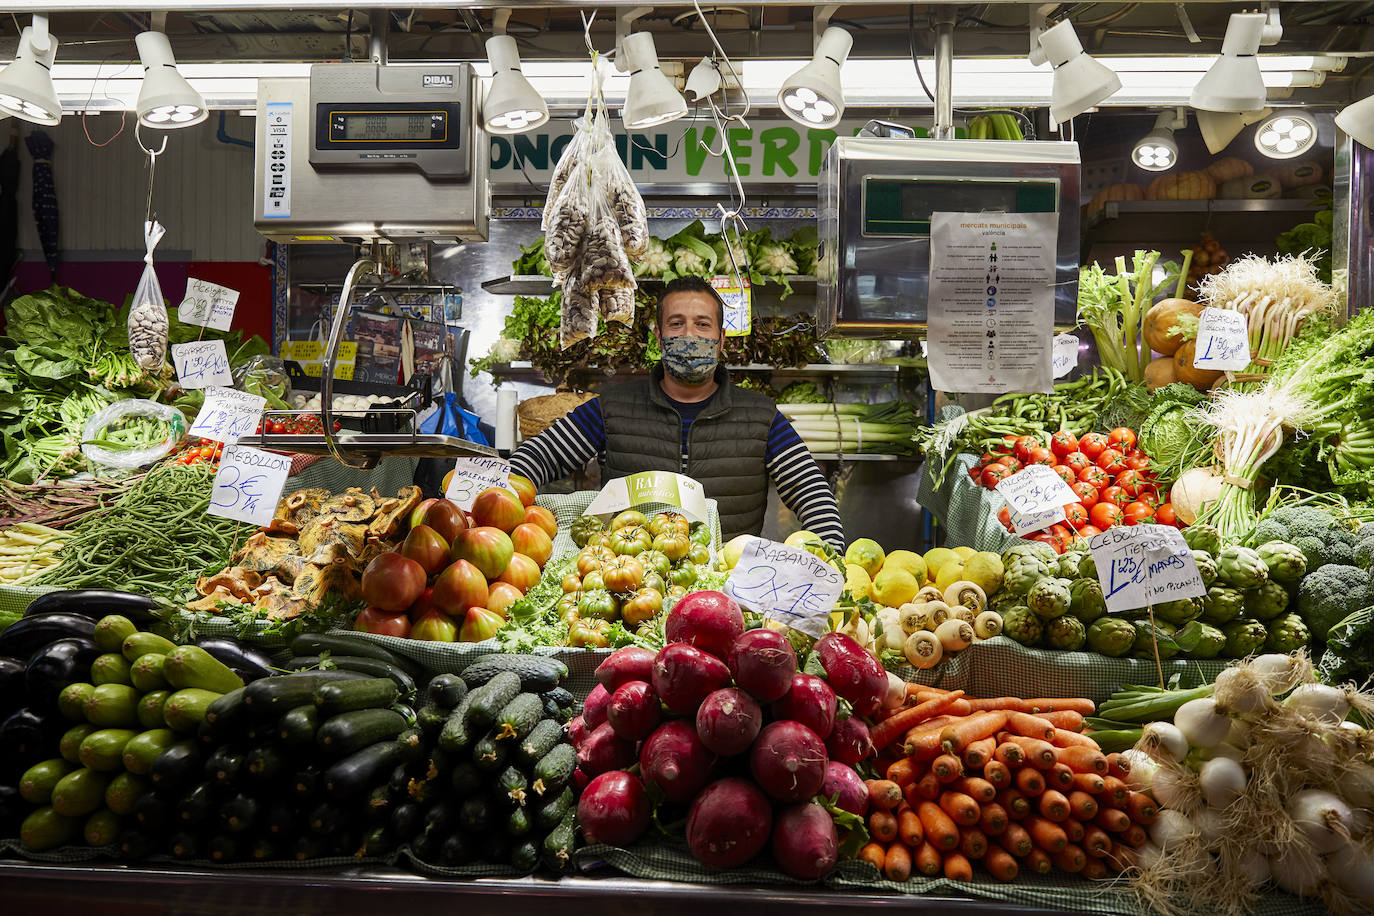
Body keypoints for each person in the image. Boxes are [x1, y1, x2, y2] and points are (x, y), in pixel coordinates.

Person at [509, 276, 845, 549]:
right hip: (629, 584)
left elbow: (813, 494)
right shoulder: (611, 407)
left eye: (702, 325)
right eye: (676, 324)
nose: (689, 336)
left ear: (721, 339)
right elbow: (537, 457)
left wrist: (830, 559)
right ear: (658, 336)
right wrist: (499, 509)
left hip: (726, 588)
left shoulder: (760, 416)